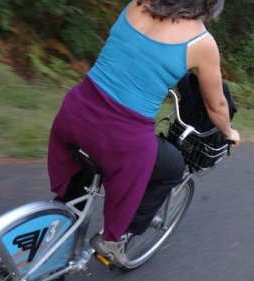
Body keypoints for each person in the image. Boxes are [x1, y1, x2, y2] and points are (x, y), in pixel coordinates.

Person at [47, 0, 240, 267]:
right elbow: (216, 105)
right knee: (173, 167)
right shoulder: (202, 42)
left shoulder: (137, 4)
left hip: (75, 112)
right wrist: (229, 132)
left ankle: (54, 228)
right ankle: (114, 240)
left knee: (80, 178)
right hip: (122, 139)